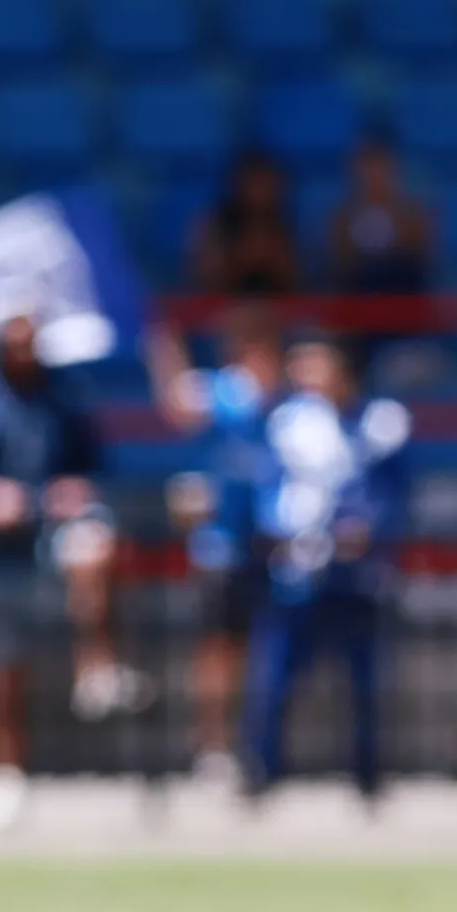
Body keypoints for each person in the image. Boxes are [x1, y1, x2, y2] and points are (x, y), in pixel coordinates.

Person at [0, 303, 139, 829]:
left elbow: (93, 461)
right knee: (0, 663)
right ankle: (3, 773)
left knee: (95, 543)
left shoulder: (62, 390)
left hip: (49, 528)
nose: (25, 351)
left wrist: (75, 488)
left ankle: (98, 668)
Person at [241, 338, 411, 802]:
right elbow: (268, 489)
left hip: (357, 576)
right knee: (274, 674)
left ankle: (367, 773)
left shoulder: (381, 424)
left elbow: (392, 492)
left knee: (363, 679)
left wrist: (367, 528)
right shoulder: (288, 424)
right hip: (296, 571)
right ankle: (262, 770)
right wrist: (276, 531)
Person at [152, 308, 286, 784]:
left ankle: (257, 745)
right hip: (224, 549)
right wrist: (162, 344)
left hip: (272, 548)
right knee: (220, 651)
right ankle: (213, 744)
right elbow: (179, 404)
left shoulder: (282, 407)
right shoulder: (230, 393)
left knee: (262, 652)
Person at [324, 136, 436, 297]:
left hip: (404, 302)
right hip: (357, 302)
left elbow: (425, 261)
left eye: (381, 168)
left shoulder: (414, 216)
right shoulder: (341, 220)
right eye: (368, 169)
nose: (374, 177)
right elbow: (339, 266)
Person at [187, 150, 302, 297]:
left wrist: (276, 261)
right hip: (224, 310)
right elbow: (202, 281)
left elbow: (302, 284)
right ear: (238, 186)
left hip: (278, 310)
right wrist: (240, 260)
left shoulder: (288, 226)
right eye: (255, 184)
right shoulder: (212, 225)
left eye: (266, 184)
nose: (261, 193)